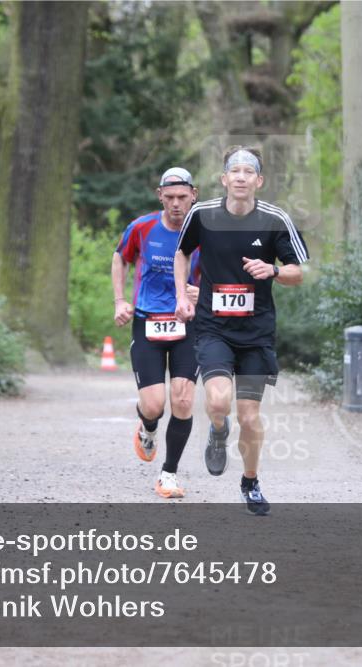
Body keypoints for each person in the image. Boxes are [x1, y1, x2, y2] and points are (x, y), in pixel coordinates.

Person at [174, 146, 308, 515]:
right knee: (218, 401)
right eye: (235, 171)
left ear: (258, 181)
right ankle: (218, 430)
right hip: (213, 328)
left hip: (256, 334)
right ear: (224, 179)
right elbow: (182, 253)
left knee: (249, 416)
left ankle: (250, 482)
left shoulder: (274, 219)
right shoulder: (202, 215)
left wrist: (275, 271)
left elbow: (301, 270)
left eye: (249, 172)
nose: (241, 176)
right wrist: (180, 295)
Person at [112, 167, 201, 498]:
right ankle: (148, 428)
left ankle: (169, 474)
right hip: (148, 319)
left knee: (183, 399)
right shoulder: (142, 227)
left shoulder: (206, 230)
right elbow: (120, 259)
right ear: (159, 196)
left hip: (190, 324)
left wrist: (201, 295)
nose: (176, 204)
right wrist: (120, 300)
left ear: (194, 194)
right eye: (170, 197)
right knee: (154, 405)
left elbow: (223, 273)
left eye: (182, 197)